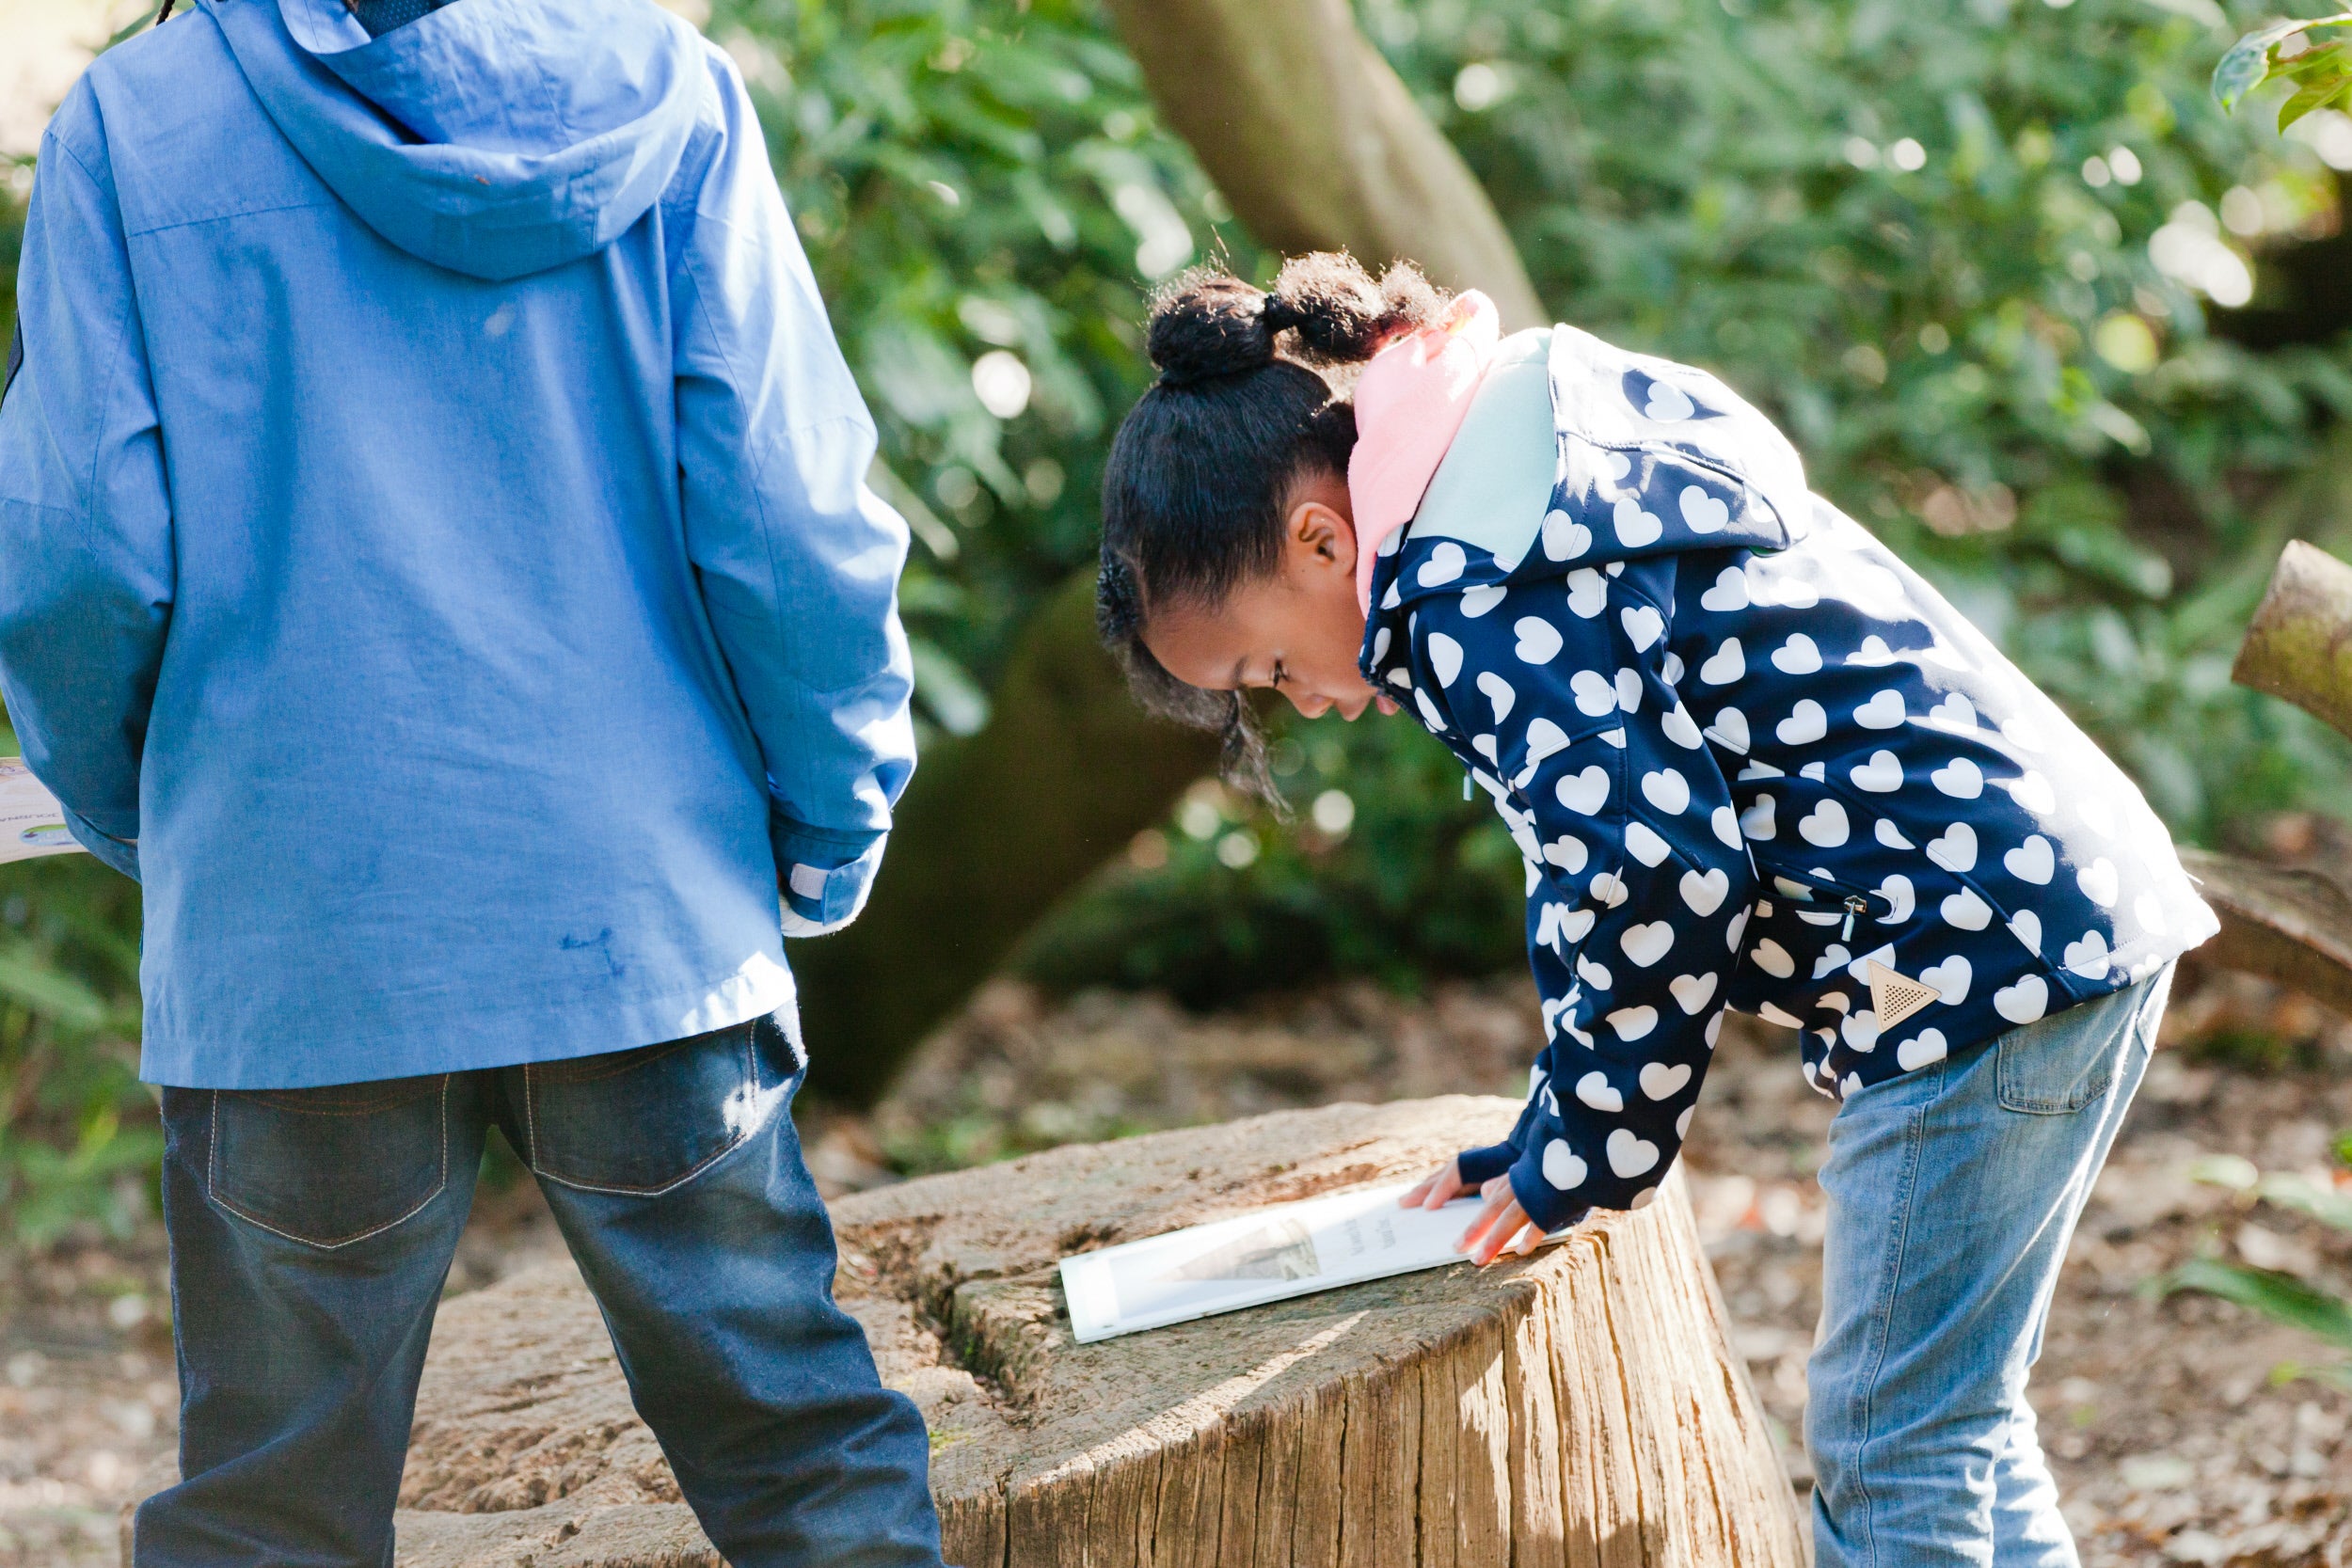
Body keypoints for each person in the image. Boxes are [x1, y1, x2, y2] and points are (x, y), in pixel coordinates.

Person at [1094, 251, 2217, 1566]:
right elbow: (1586, 862)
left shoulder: (1468, 591)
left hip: (1968, 961)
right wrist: (1550, 1123)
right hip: (2058, 902)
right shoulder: (1520, 442)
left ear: (1320, 539)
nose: (1308, 699)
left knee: (1894, 1445)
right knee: (1951, 1425)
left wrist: (1594, 1152)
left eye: (1273, 664)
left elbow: (1652, 875)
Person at [0, 0, 945, 1562]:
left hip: (295, 937)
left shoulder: (132, 122)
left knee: (269, 1516)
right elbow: (789, 519)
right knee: (802, 1461)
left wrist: (150, 815)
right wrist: (837, 807)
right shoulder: (675, 96)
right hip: (645, 924)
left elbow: (75, 562)